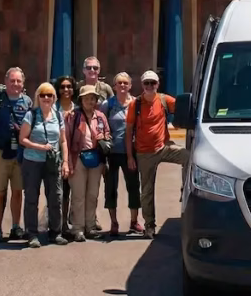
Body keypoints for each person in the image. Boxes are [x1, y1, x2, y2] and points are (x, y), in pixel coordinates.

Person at [125, 70, 189, 239]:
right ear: (142, 85)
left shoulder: (164, 100)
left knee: (188, 157)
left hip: (164, 147)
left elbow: (184, 109)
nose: (149, 86)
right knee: (147, 191)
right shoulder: (135, 104)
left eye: (152, 83)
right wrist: (130, 156)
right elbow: (128, 130)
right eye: (146, 83)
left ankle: (185, 188)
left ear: (157, 84)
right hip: (144, 153)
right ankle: (149, 226)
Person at [19, 82, 70, 248]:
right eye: (43, 95)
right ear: (38, 97)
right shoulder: (31, 115)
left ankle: (55, 233)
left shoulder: (58, 115)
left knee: (55, 197)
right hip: (33, 161)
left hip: (53, 162)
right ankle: (32, 234)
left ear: (54, 98)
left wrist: (65, 162)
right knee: (32, 198)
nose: (46, 98)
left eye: (49, 95)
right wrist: (39, 147)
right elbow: (23, 139)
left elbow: (63, 140)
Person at [0, 67, 33, 243]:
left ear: (23, 83)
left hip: (20, 153)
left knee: (17, 191)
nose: (15, 84)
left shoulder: (28, 101)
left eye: (18, 81)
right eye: (12, 81)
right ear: (6, 81)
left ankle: (16, 226)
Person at [65, 84, 111, 241]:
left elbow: (108, 134)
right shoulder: (73, 116)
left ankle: (90, 227)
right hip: (78, 158)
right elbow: (66, 139)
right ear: (81, 100)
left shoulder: (101, 116)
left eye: (93, 98)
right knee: (78, 195)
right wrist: (67, 162)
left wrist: (104, 140)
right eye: (87, 98)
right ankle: (78, 229)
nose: (90, 101)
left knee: (92, 195)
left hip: (96, 159)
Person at [100, 72, 142, 236]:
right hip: (111, 153)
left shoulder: (135, 104)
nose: (123, 86)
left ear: (130, 86)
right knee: (111, 188)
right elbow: (101, 125)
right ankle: (114, 223)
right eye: (119, 83)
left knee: (133, 186)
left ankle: (134, 221)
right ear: (114, 86)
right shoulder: (107, 104)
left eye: (126, 83)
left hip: (130, 153)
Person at [53, 75, 78, 237]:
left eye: (69, 86)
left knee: (70, 190)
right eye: (62, 87)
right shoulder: (53, 108)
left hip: (75, 155)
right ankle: (56, 224)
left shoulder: (78, 109)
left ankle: (66, 224)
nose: (66, 90)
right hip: (56, 154)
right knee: (57, 191)